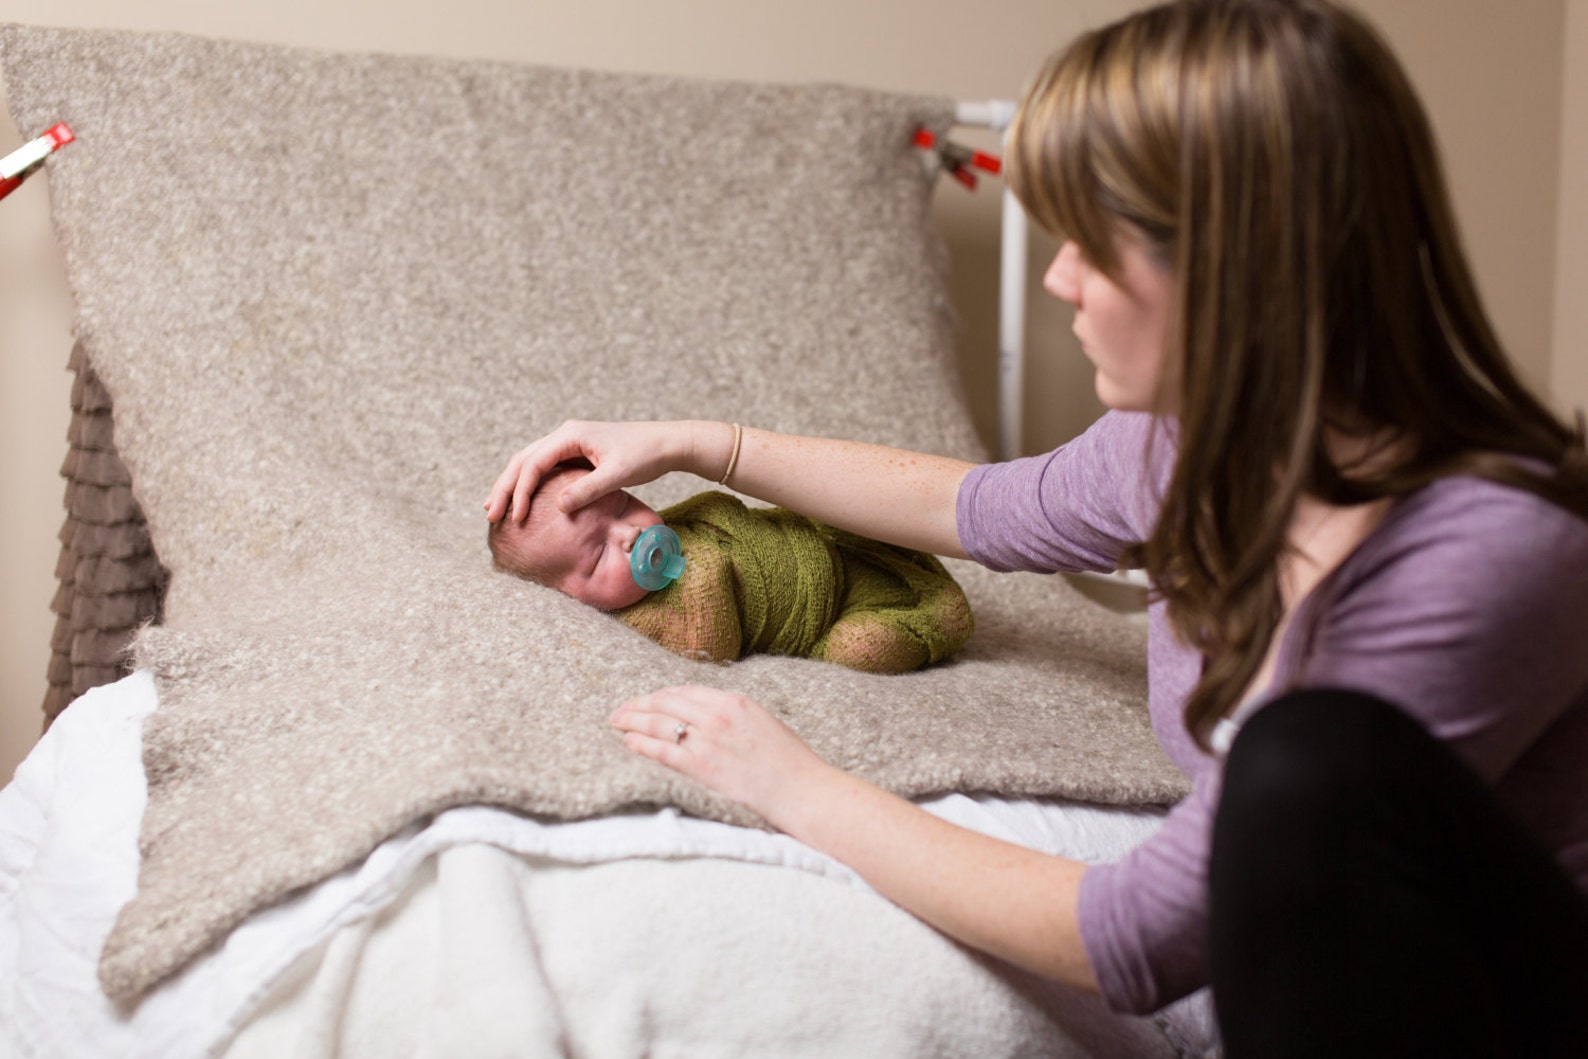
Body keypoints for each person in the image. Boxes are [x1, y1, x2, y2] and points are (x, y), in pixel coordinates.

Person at [484, 0, 1588, 1052]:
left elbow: (1135, 938)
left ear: (1233, 268)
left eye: (1091, 244)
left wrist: (790, 780)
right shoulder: (1188, 448)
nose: (1060, 278)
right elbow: (974, 508)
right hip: (1329, 966)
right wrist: (690, 442)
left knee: (1306, 762)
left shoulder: (1492, 548)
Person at [488, 459, 974, 673]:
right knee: (859, 649)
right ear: (571, 599)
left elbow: (724, 512)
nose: (630, 534)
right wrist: (706, 580)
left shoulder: (676, 530)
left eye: (622, 509)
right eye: (598, 554)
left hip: (827, 547)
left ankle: (909, 558)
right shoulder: (639, 620)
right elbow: (710, 651)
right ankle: (934, 618)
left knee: (853, 511)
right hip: (837, 612)